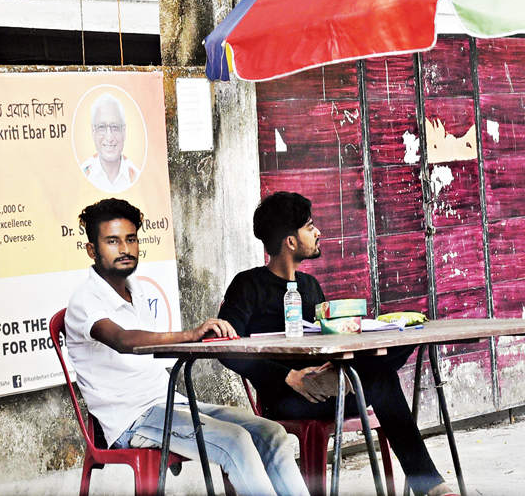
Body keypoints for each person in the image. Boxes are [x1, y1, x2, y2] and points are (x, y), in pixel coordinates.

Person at [218, 192, 459, 496]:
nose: (318, 233)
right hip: (288, 396)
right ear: (290, 242)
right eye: (310, 226)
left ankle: (431, 486)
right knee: (381, 377)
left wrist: (335, 358)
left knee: (387, 358)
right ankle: (432, 486)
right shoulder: (248, 285)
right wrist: (286, 377)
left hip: (331, 382)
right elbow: (225, 349)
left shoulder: (309, 286)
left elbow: (326, 339)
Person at [64, 198, 308, 496]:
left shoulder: (136, 290)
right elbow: (123, 340)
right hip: (131, 419)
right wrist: (191, 335)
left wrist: (204, 339)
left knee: (272, 433)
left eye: (130, 239)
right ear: (92, 250)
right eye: (112, 241)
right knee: (236, 442)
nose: (125, 249)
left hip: (170, 403)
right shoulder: (85, 300)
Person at [80, 93, 141, 193]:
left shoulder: (136, 176)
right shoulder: (84, 173)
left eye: (115, 127)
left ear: (124, 131)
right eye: (101, 127)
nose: (109, 138)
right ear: (93, 131)